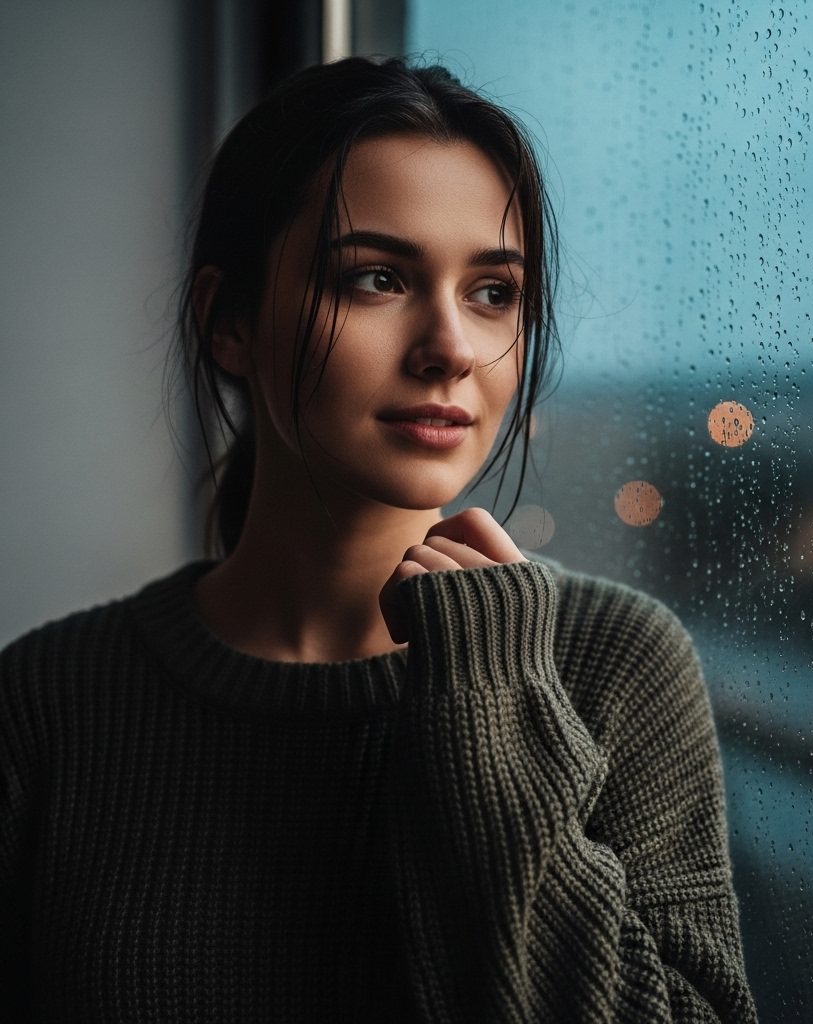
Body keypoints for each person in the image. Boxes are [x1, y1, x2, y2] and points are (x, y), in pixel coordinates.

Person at [0, 57, 758, 1022]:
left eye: (493, 293)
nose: (450, 347)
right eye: (378, 278)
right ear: (228, 323)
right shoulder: (47, 702)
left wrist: (492, 706)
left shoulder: (615, 665)